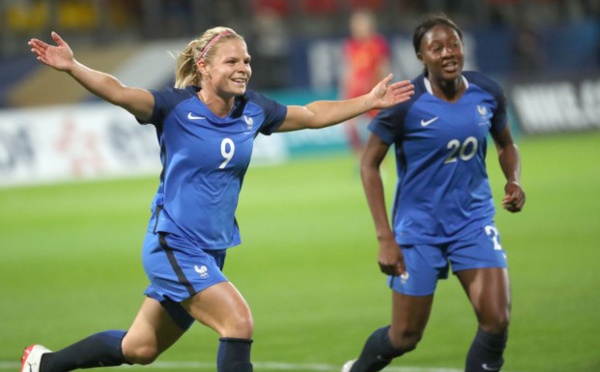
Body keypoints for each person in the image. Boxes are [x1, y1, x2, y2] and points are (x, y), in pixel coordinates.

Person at [23, 27, 414, 372]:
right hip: (173, 244)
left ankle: (44, 364)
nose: (243, 67)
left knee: (139, 348)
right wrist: (74, 67)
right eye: (232, 61)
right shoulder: (174, 108)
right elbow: (120, 91)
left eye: (246, 60)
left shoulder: (253, 110)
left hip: (210, 249)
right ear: (204, 66)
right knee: (238, 322)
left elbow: (311, 113)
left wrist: (368, 99)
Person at [342, 13, 525, 372]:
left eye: (453, 44)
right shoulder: (404, 104)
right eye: (436, 48)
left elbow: (506, 144)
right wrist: (385, 236)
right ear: (421, 57)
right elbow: (368, 165)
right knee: (405, 337)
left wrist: (513, 179)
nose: (447, 53)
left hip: (473, 223)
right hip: (419, 231)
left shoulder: (486, 92)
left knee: (496, 320)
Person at [339, 8, 391, 158]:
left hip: (373, 91)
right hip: (355, 92)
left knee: (377, 128)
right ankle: (359, 158)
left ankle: (378, 159)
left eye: (360, 24)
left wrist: (384, 87)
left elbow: (383, 67)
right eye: (355, 25)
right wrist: (344, 90)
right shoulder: (350, 45)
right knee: (350, 126)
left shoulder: (378, 44)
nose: (357, 28)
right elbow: (347, 69)